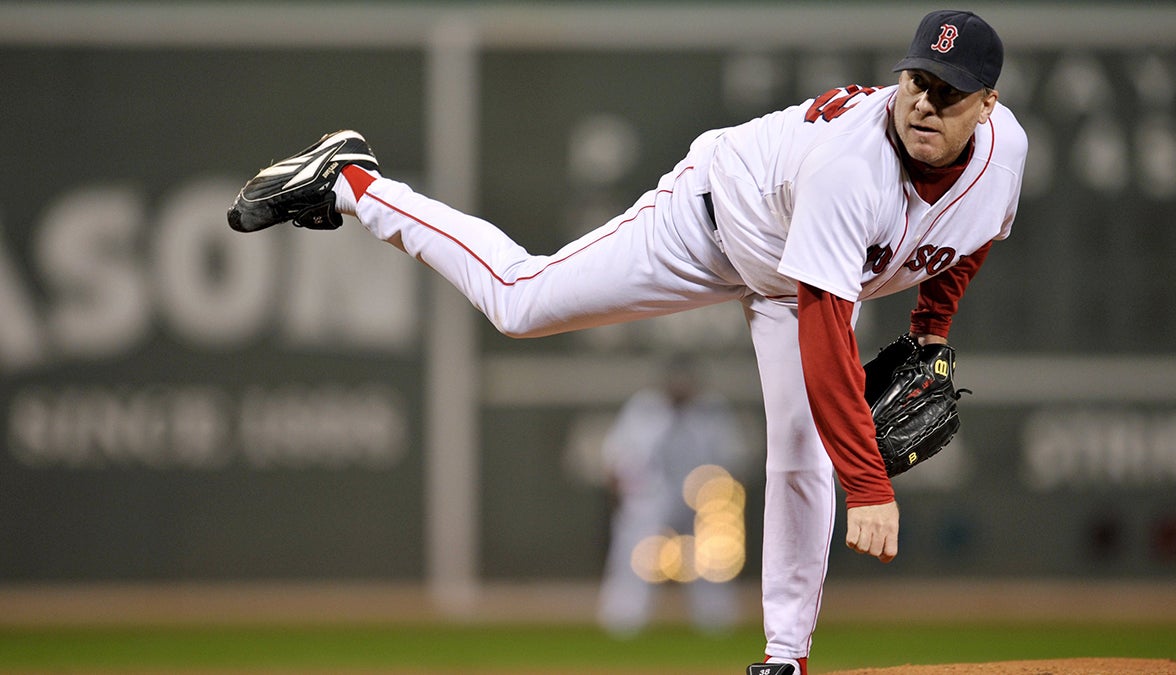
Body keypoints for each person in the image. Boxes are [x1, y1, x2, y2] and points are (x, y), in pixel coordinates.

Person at [227, 10, 1025, 674]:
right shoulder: (854, 170)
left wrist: (929, 331)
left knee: (800, 451)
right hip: (712, 221)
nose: (923, 101)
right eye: (917, 79)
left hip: (793, 270)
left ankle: (786, 657)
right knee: (521, 301)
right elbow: (824, 330)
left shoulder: (1004, 158)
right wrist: (871, 485)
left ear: (986, 106)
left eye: (948, 92)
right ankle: (354, 183)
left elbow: (968, 238)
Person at [597, 353, 751, 637]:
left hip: (701, 493)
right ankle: (623, 616)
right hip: (652, 492)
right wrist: (622, 495)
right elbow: (615, 457)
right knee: (634, 548)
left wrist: (724, 506)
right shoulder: (644, 407)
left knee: (713, 553)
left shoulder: (712, 409)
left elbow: (734, 458)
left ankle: (715, 617)